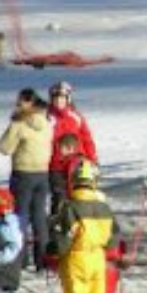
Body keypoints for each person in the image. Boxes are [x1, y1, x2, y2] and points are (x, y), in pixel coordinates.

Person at [49, 159, 125, 293]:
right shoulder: (104, 208)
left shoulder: (70, 207)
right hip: (98, 260)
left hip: (76, 260)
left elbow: (64, 239)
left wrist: (53, 252)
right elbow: (112, 240)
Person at [0, 88, 53, 270]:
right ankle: (42, 259)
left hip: (23, 173)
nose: (17, 106)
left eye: (20, 103)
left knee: (20, 217)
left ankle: (19, 259)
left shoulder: (20, 124)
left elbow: (4, 148)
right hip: (43, 172)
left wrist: (13, 124)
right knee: (39, 217)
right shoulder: (46, 122)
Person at [48, 81, 97, 210]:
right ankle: (57, 224)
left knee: (79, 194)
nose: (59, 101)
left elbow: (87, 138)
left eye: (62, 98)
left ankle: (79, 223)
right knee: (59, 196)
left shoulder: (75, 116)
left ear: (68, 99)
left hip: (77, 164)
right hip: (56, 165)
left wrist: (92, 159)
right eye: (56, 98)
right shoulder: (48, 118)